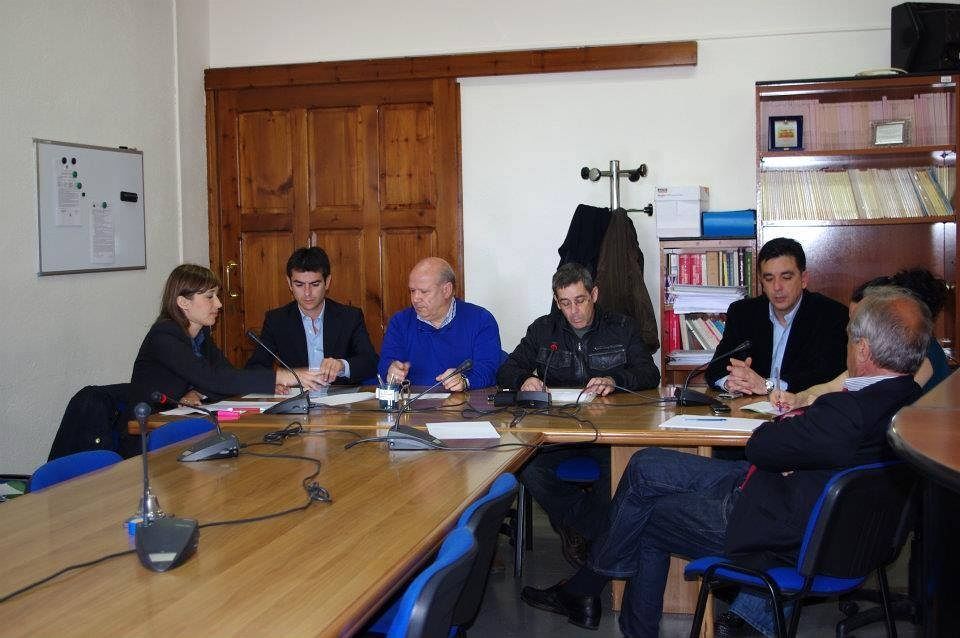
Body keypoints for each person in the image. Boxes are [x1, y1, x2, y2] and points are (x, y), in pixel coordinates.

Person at [520, 286, 929, 637]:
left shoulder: (847, 411)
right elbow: (785, 449)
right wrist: (796, 438)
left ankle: (597, 594)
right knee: (644, 464)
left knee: (647, 517)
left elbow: (762, 445)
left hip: (776, 525)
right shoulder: (910, 404)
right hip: (787, 499)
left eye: (850, 338)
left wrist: (792, 428)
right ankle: (590, 584)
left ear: (863, 348)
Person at [497, 262, 661, 566]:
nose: (573, 311)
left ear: (594, 294)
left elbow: (650, 374)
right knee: (527, 466)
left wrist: (614, 380)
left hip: (608, 433)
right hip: (560, 432)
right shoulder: (543, 330)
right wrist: (525, 379)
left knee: (621, 470)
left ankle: (578, 530)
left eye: (580, 300)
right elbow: (507, 368)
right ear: (557, 302)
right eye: (565, 303)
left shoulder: (621, 327)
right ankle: (590, 531)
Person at [129, 264, 324, 412]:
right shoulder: (164, 336)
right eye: (210, 297)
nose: (219, 304)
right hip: (151, 429)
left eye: (217, 296)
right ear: (183, 302)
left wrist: (197, 392)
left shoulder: (201, 335)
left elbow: (226, 376)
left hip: (184, 419)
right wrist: (279, 376)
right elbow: (212, 378)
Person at [773, 267, 951, 410]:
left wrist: (825, 405)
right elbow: (831, 386)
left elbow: (886, 405)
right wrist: (799, 398)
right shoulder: (881, 352)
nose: (852, 330)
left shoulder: (922, 356)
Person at [706, 237, 849, 396]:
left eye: (786, 277)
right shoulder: (742, 313)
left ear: (803, 279)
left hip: (804, 407)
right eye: (769, 279)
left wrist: (768, 385)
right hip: (750, 407)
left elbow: (828, 374)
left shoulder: (831, 315)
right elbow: (715, 369)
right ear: (761, 282)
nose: (777, 287)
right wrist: (731, 382)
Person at [245, 247, 377, 388]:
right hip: (296, 397)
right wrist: (274, 381)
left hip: (340, 397)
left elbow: (370, 362)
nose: (307, 293)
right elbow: (254, 369)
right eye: (299, 284)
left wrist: (342, 365)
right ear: (289, 283)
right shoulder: (276, 320)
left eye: (315, 284)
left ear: (327, 282)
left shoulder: (349, 317)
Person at [379, 257, 502, 390]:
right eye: (412, 291)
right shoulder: (400, 322)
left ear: (446, 290)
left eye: (424, 292)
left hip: (463, 402)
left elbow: (489, 369)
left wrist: (465, 381)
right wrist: (391, 371)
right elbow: (385, 365)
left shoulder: (481, 320)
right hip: (411, 401)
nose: (415, 298)